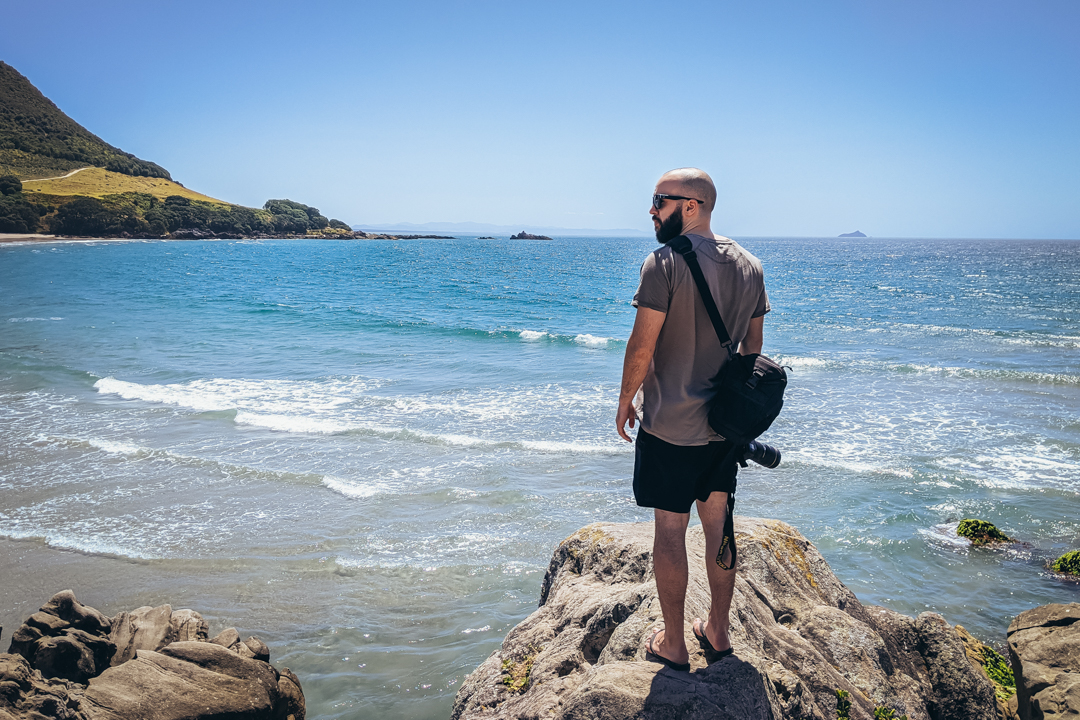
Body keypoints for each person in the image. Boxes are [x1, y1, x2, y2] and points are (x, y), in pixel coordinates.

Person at [616, 168, 769, 671]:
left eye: (660, 200)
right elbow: (753, 351)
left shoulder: (662, 263)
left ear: (692, 206)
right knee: (719, 526)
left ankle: (674, 643)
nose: (652, 210)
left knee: (669, 531)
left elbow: (642, 345)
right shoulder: (751, 266)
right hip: (723, 431)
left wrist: (625, 400)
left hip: (669, 425)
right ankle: (719, 631)